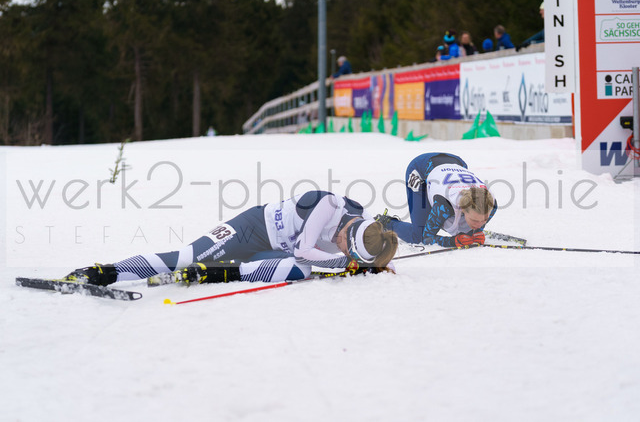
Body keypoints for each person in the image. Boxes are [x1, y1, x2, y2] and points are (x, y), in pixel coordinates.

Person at [64, 191, 399, 286]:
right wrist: (343, 261)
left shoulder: (366, 227)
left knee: (302, 272)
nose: (339, 245)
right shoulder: (329, 206)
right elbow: (304, 249)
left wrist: (373, 265)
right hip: (250, 228)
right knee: (186, 256)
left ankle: (220, 273)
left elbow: (378, 252)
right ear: (348, 229)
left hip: (270, 253)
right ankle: (104, 272)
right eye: (343, 242)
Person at [375, 153, 497, 247]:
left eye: (484, 220)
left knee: (461, 227)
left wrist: (476, 232)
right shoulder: (445, 205)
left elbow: (476, 224)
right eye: (475, 220)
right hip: (421, 168)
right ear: (463, 208)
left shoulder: (492, 204)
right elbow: (427, 238)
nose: (479, 224)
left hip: (456, 162)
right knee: (418, 236)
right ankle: (387, 222)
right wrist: (452, 241)